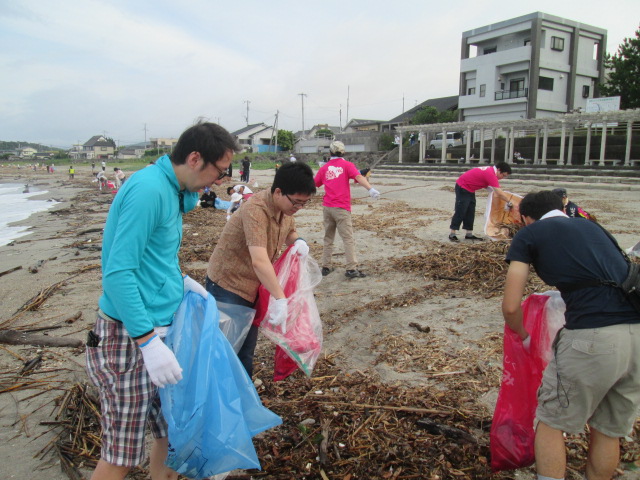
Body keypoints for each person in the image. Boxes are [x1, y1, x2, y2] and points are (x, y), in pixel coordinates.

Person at [86, 121, 238, 480]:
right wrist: (148, 343)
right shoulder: (149, 190)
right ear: (195, 157)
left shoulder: (170, 188)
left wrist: (179, 283)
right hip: (129, 338)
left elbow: (156, 256)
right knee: (121, 454)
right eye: (219, 171)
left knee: (170, 433)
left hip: (160, 328)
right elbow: (119, 273)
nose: (220, 180)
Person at [501, 190, 640, 480]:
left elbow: (511, 305)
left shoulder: (529, 234)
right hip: (636, 334)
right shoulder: (592, 225)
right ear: (562, 207)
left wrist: (523, 335)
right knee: (608, 429)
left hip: (592, 338)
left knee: (551, 422)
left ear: (526, 217)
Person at [205, 162, 316, 377]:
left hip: (254, 286)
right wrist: (280, 298)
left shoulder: (285, 208)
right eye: (297, 202)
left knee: (246, 347)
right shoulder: (255, 210)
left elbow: (290, 230)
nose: (298, 208)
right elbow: (259, 260)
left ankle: (241, 399)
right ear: (278, 191)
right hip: (229, 285)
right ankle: (220, 400)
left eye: (304, 203)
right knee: (226, 348)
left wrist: (298, 241)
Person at [315, 140, 380, 278]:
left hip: (327, 207)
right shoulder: (347, 165)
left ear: (330, 152)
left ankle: (326, 266)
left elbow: (315, 183)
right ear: (343, 152)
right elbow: (358, 176)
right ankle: (351, 268)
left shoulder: (325, 168)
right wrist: (370, 189)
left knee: (328, 238)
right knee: (348, 238)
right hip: (341, 208)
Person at [449, 162, 512, 242]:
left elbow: (490, 188)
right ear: (499, 170)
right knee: (461, 210)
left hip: (470, 189)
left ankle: (469, 234)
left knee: (470, 211)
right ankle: (452, 233)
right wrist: (509, 201)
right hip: (463, 186)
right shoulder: (491, 173)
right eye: (503, 175)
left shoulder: (490, 171)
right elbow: (499, 192)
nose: (502, 177)